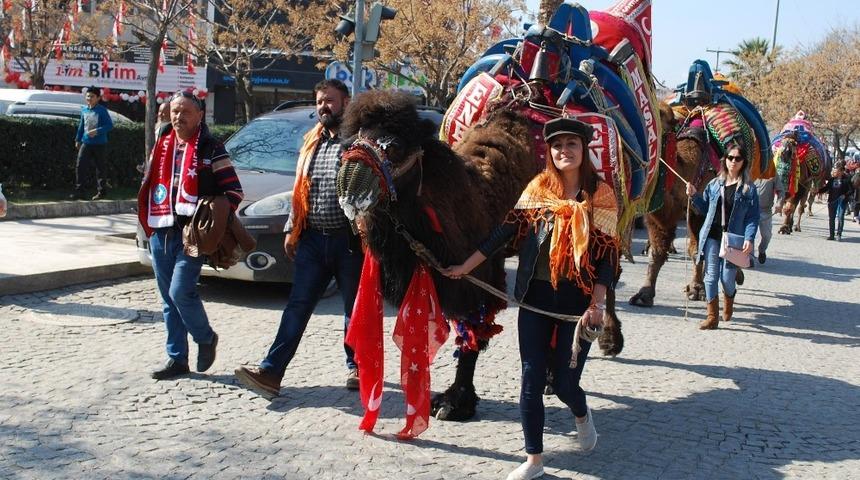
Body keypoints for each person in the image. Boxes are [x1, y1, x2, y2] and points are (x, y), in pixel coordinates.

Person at [444, 118, 618, 480]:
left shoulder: (600, 195)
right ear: (550, 152)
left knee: (566, 385)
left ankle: (582, 416)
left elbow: (606, 258)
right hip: (536, 300)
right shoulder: (539, 189)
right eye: (557, 145)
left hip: (577, 306)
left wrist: (597, 305)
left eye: (571, 144)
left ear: (584, 150)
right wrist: (466, 266)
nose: (564, 151)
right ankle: (534, 460)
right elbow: (503, 232)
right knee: (530, 378)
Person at [234, 79, 364, 397]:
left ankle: (358, 367)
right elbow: (300, 188)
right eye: (320, 100)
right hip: (312, 240)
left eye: (330, 100)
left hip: (349, 242)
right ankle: (271, 372)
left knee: (355, 309)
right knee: (297, 306)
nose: (323, 106)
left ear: (345, 103)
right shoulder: (311, 141)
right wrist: (293, 228)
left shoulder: (358, 142)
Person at [138, 91, 244, 380]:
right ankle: (177, 359)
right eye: (174, 111)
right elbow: (150, 185)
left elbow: (233, 192)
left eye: (185, 111)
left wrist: (212, 217)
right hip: (161, 230)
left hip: (192, 235)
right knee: (167, 300)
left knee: (180, 291)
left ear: (200, 115)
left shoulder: (211, 148)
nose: (178, 116)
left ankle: (205, 337)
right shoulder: (162, 145)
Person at [686, 145, 759, 330]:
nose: (733, 161)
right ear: (725, 160)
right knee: (710, 277)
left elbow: (752, 217)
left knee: (727, 278)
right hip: (711, 235)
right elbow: (704, 209)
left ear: (743, 163)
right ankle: (712, 317)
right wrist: (694, 196)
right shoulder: (714, 185)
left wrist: (749, 238)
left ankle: (729, 301)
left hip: (734, 240)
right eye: (730, 157)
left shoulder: (749, 189)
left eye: (738, 158)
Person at [72, 86, 114, 200]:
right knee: (80, 166)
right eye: (88, 96)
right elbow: (81, 126)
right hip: (86, 143)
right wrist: (78, 139)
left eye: (92, 96)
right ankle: (80, 191)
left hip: (100, 144)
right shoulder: (84, 110)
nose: (89, 98)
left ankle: (102, 192)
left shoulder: (102, 110)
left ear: (98, 98)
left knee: (100, 168)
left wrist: (97, 131)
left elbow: (109, 125)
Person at [817, 161, 852, 241]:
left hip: (842, 202)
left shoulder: (846, 180)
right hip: (832, 201)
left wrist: (845, 195)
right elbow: (826, 188)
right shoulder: (831, 180)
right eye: (834, 171)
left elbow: (851, 190)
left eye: (836, 171)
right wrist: (817, 191)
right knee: (831, 218)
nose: (834, 172)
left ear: (841, 172)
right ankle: (831, 235)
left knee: (840, 217)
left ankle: (839, 234)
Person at [753, 177, 780, 264]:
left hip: (766, 211)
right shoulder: (750, 171)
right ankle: (749, 257)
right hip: (750, 210)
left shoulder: (773, 173)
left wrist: (779, 203)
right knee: (750, 235)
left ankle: (762, 250)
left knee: (767, 236)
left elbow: (780, 190)